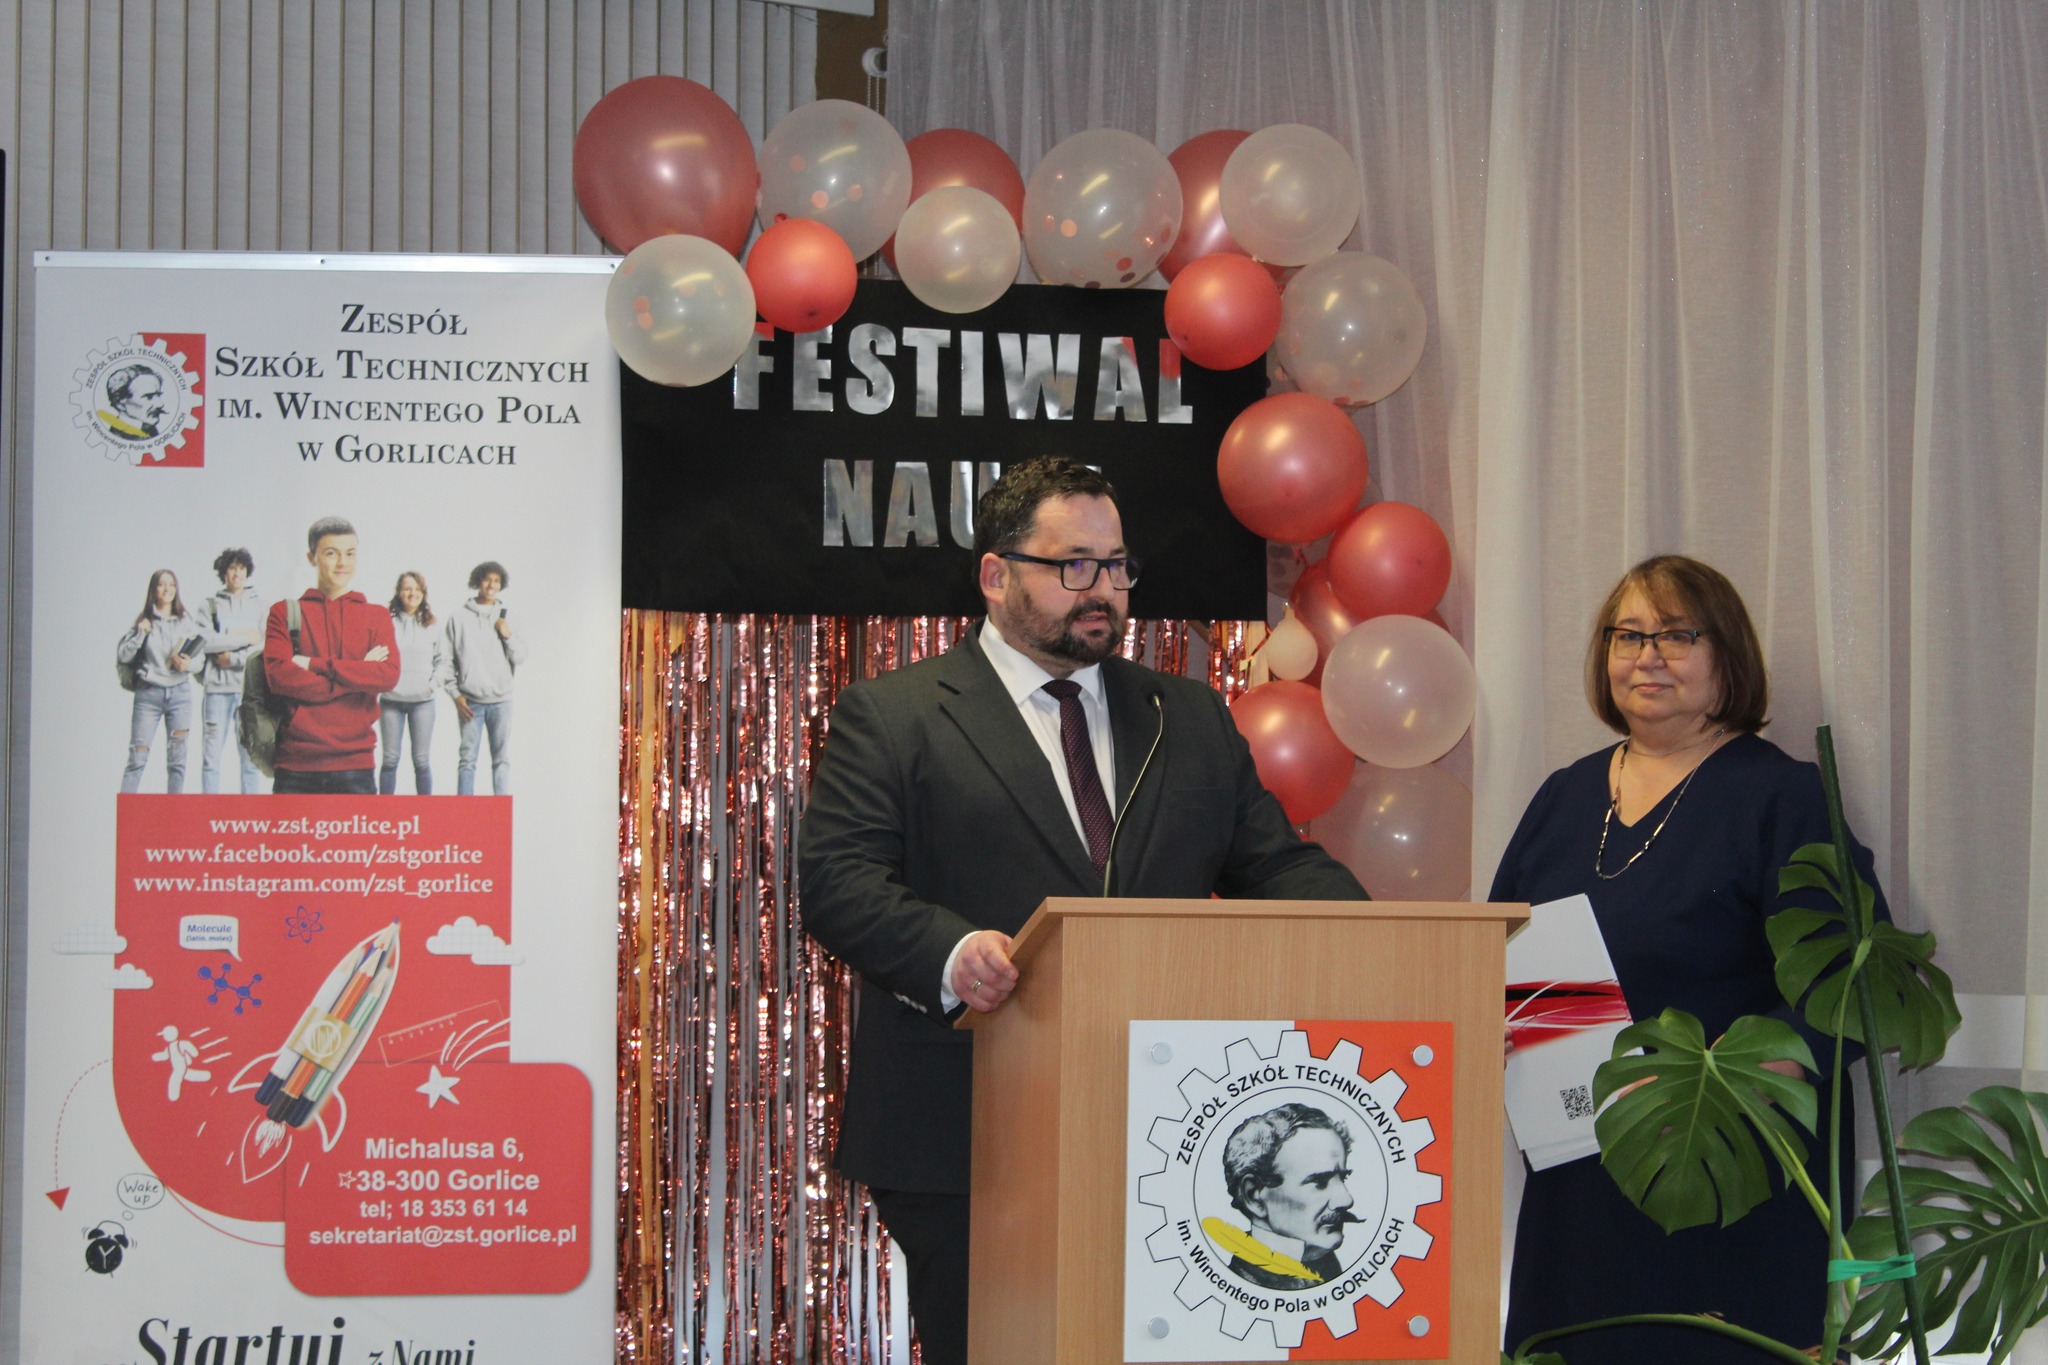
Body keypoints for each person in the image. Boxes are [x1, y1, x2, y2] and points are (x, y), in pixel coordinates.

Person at [798, 455, 1366, 1365]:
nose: (1103, 589)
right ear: (996, 575)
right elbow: (839, 879)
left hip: (1171, 1129)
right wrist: (952, 952)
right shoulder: (896, 715)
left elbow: (1276, 865)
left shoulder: (1186, 715)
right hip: (970, 1129)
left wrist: (1390, 941)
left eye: (1117, 565)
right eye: (1074, 566)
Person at [1491, 554, 1890, 1365]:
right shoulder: (1563, 794)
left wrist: (1734, 1077)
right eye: (1629, 635)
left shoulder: (1783, 796)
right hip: (1579, 1182)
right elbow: (1492, 950)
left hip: (1730, 1170)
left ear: (1727, 656)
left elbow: (1857, 979)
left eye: (1677, 634)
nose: (1648, 656)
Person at [264, 517, 400, 795]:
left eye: (350, 553)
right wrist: (358, 672)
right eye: (331, 553)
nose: (342, 563)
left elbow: (388, 676)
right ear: (311, 558)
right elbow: (279, 678)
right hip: (295, 764)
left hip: (356, 764)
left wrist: (313, 664)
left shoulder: (377, 616)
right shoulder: (284, 613)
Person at [1217, 1103, 1357, 1290]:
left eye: (1342, 1178)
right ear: (1254, 1196)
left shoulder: (1330, 1270)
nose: (1346, 1200)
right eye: (1320, 1182)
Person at [117, 569, 202, 792]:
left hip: (180, 696)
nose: (167, 589)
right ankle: (127, 812)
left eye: (172, 584)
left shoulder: (185, 621)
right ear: (153, 590)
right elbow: (124, 655)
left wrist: (187, 665)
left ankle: (173, 813)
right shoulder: (144, 621)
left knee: (177, 762)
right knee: (137, 758)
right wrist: (140, 634)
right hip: (148, 695)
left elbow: (200, 660)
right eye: (162, 584)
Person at [445, 561, 524, 795]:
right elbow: (446, 660)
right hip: (471, 702)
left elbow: (520, 657)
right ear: (478, 581)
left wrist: (507, 635)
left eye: (497, 581)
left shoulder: (507, 617)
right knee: (467, 760)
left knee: (501, 759)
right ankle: (465, 812)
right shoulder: (458, 617)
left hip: (501, 701)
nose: (491, 585)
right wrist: (455, 695)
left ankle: (500, 811)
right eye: (487, 579)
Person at [198, 548, 267, 793]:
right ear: (223, 572)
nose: (237, 573)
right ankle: (209, 810)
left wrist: (233, 657)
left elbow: (263, 647)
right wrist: (244, 637)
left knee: (250, 760)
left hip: (248, 693)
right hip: (216, 692)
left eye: (241, 568)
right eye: (232, 568)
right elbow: (206, 642)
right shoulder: (210, 606)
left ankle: (249, 811)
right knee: (211, 760)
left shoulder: (259, 606)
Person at [379, 571, 447, 794]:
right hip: (391, 701)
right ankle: (383, 811)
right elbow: (376, 656)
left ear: (423, 594)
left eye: (417, 589)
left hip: (423, 703)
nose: (412, 593)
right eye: (407, 588)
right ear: (399, 592)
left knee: (421, 760)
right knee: (390, 760)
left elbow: (444, 661)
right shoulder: (386, 623)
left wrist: (431, 686)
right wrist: (383, 683)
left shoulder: (433, 625)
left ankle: (425, 812)